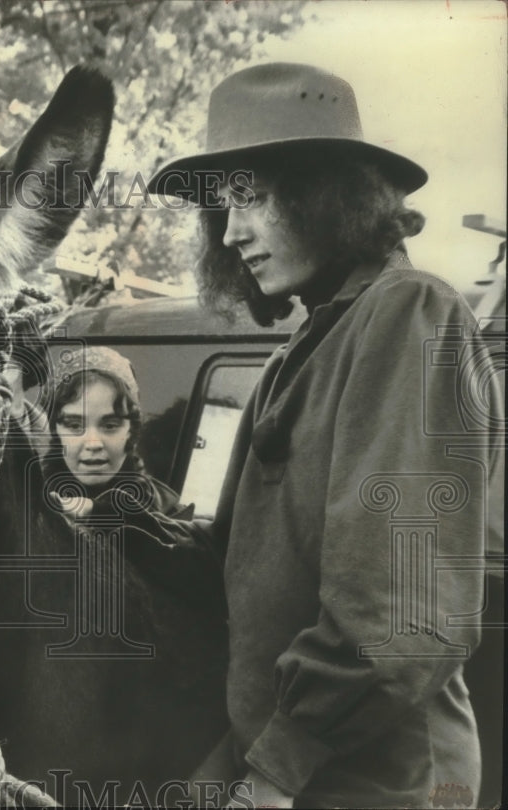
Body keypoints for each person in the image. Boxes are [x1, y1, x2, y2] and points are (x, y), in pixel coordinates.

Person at [146, 63, 504, 808]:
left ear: (327, 194)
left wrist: (276, 770)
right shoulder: (298, 355)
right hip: (289, 761)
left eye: (253, 197)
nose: (231, 232)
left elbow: (403, 618)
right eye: (222, 208)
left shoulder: (410, 315)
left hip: (376, 781)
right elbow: (240, 572)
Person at [43, 345, 193, 531]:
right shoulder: (23, 501)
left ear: (131, 430)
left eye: (110, 426)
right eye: (74, 426)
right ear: (55, 430)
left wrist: (96, 512)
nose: (93, 444)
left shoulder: (169, 518)